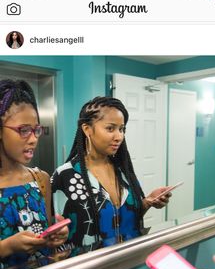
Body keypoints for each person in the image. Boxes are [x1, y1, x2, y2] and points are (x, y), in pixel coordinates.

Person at [52, 96, 171, 256]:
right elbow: (54, 233)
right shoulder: (65, 176)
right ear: (87, 129)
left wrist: (147, 202)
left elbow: (124, 216)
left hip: (129, 260)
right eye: (110, 128)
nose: (119, 136)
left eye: (122, 129)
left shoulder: (124, 171)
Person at [0, 79, 68, 269]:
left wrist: (55, 235)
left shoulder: (41, 180)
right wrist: (7, 247)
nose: (33, 139)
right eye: (23, 130)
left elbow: (46, 232)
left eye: (36, 129)